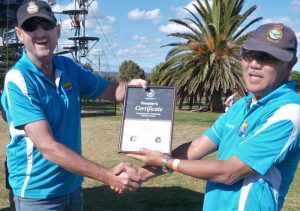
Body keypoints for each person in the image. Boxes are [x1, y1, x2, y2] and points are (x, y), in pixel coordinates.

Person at [127, 23, 300, 210]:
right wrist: (139, 174)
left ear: (290, 63)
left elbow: (230, 172)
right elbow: (196, 147)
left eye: (267, 57)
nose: (254, 64)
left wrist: (164, 161)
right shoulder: (241, 105)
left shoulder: (289, 112)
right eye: (249, 54)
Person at [1, 1, 146, 210]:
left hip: (73, 188)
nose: (40, 32)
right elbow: (48, 147)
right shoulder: (18, 79)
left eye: (46, 24)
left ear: (57, 31)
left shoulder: (68, 67)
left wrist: (131, 88)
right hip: (38, 194)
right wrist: (108, 176)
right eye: (30, 26)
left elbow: (113, 90)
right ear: (19, 34)